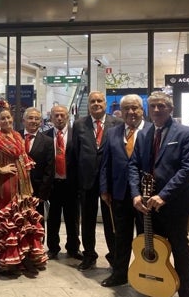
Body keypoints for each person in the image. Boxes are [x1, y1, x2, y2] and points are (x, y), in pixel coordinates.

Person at [128, 91, 189, 297]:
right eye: (153, 106)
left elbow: (188, 168)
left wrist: (164, 195)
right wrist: (135, 194)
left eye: (161, 106)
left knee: (179, 248)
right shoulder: (143, 134)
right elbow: (133, 166)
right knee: (151, 248)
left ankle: (185, 291)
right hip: (146, 205)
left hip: (174, 205)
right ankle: (154, 287)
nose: (157, 110)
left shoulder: (185, 133)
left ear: (171, 109)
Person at [0, 101, 48, 273]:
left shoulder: (17, 135)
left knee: (24, 218)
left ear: (13, 119)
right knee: (10, 219)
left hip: (23, 182)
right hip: (7, 182)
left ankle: (25, 257)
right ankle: (10, 260)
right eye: (2, 118)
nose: (6, 121)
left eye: (8, 117)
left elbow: (23, 158)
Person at [69, 91, 122, 271]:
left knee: (110, 221)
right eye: (92, 101)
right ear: (89, 104)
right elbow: (75, 154)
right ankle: (89, 255)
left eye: (99, 101)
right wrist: (76, 182)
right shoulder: (79, 125)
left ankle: (114, 256)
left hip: (110, 183)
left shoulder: (117, 124)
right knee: (88, 220)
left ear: (105, 104)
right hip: (86, 182)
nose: (96, 104)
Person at [99, 94, 148, 287]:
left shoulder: (152, 131)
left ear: (142, 110)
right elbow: (105, 164)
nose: (130, 112)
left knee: (146, 236)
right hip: (119, 193)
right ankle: (119, 274)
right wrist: (104, 188)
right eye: (126, 108)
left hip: (145, 195)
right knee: (121, 236)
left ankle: (145, 273)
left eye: (135, 108)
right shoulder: (113, 132)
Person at [44, 105, 82, 261]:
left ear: (67, 116)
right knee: (52, 218)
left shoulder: (77, 135)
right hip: (53, 184)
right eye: (56, 115)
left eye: (62, 115)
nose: (59, 118)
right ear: (51, 118)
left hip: (71, 184)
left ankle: (73, 248)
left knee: (73, 218)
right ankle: (53, 248)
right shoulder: (45, 136)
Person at [22, 107, 54, 218]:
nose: (33, 121)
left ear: (40, 122)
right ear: (24, 120)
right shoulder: (15, 137)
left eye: (37, 119)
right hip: (17, 190)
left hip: (37, 191)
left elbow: (49, 169)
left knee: (36, 225)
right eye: (30, 118)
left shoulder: (47, 141)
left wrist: (42, 195)